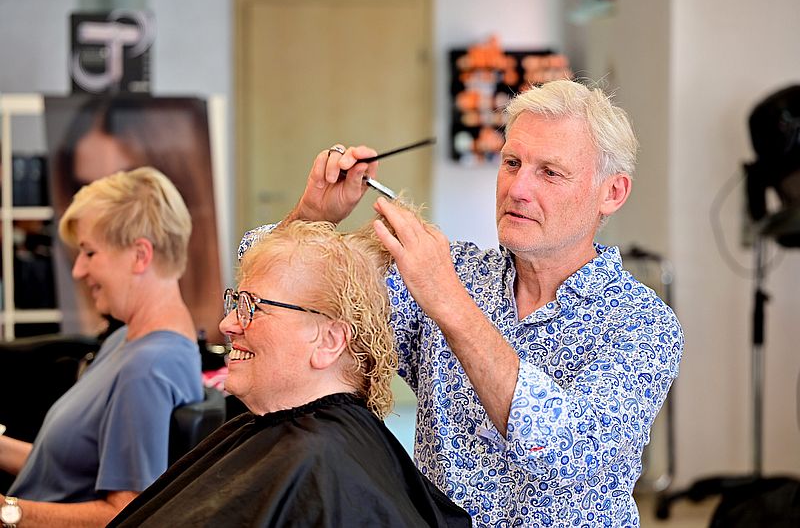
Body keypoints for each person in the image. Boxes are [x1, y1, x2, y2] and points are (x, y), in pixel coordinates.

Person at [240, 80, 685, 527]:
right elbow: (274, 301)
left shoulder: (643, 325)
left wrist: (447, 301)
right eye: (512, 163)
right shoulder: (455, 272)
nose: (518, 189)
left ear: (612, 193)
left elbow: (565, 454)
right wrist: (314, 217)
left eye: (550, 172)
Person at [108, 220, 471, 527]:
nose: (227, 324)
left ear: (329, 340)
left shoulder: (323, 466)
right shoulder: (280, 437)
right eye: (236, 302)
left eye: (253, 307)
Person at [0, 167, 203, 527]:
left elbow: (127, 513)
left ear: (140, 255)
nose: (78, 270)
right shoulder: (125, 340)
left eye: (89, 253)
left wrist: (8, 512)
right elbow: (65, 468)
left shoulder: (149, 366)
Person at [47, 95, 224, 344]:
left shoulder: (157, 358)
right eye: (85, 184)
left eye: (123, 183)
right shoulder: (121, 345)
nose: (99, 208)